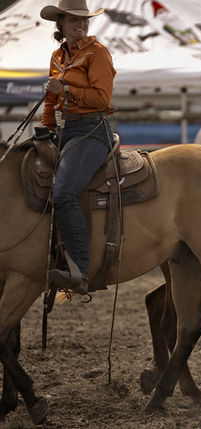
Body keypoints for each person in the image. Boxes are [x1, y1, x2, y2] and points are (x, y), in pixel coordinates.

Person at [40, 0, 116, 295]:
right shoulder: (58, 55)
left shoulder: (97, 53)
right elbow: (51, 97)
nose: (80, 23)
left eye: (83, 19)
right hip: (65, 130)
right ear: (60, 24)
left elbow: (102, 99)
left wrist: (67, 90)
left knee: (64, 192)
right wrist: (46, 128)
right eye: (73, 19)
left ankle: (80, 270)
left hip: (92, 130)